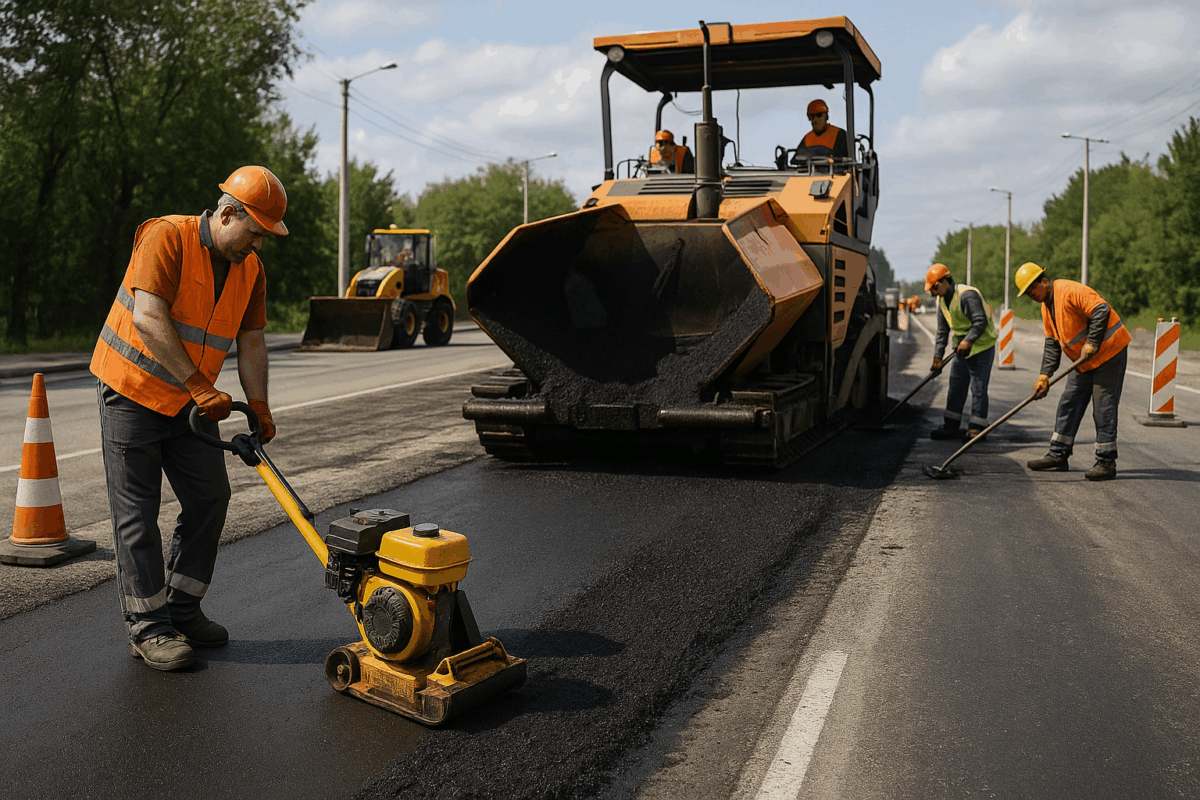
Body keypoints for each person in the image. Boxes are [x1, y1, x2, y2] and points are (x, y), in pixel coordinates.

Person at [90, 165, 287, 671]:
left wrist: (258, 403)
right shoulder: (166, 237)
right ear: (227, 213)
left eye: (265, 238)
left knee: (210, 496)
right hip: (132, 394)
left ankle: (180, 607)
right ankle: (149, 628)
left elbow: (251, 342)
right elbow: (147, 317)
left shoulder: (250, 271)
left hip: (189, 405)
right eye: (255, 233)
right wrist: (200, 385)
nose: (257, 246)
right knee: (137, 514)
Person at [1015, 262, 1131, 481]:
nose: (1031, 293)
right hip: (1083, 361)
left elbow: (1101, 309)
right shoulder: (1046, 307)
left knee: (1103, 405)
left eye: (1032, 287)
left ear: (1045, 282)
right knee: (1069, 402)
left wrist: (1093, 343)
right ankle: (1058, 455)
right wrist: (1044, 375)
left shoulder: (1069, 290)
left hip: (1108, 352)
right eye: (1027, 291)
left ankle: (1106, 462)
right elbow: (1052, 344)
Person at [925, 263, 997, 441]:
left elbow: (980, 321)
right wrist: (937, 357)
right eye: (931, 290)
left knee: (978, 388)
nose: (933, 293)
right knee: (956, 387)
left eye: (934, 288)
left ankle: (977, 428)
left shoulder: (967, 295)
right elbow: (942, 332)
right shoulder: (941, 300)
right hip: (962, 350)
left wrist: (968, 340)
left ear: (944, 282)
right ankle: (950, 426)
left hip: (981, 347)